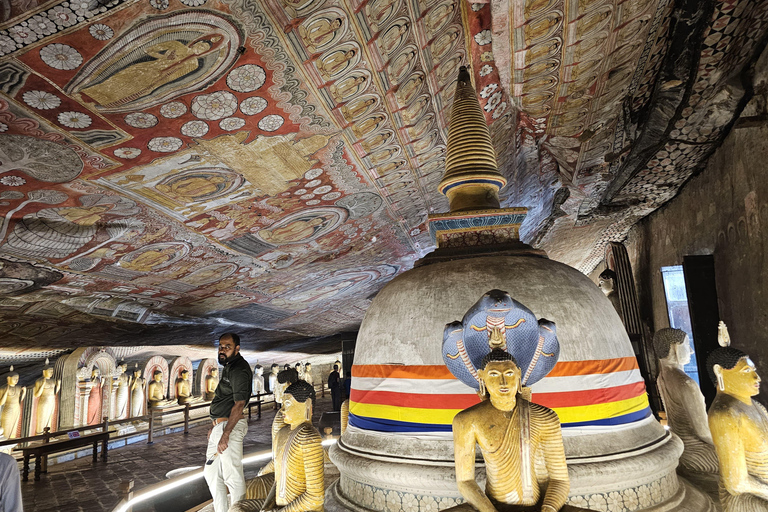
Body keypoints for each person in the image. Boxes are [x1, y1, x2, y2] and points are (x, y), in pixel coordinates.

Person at [451, 348, 573, 512]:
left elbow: (559, 479)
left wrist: (548, 509)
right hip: (492, 506)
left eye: (509, 374)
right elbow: (465, 482)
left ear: (519, 374)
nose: (503, 382)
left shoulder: (544, 416)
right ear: (482, 377)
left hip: (538, 506)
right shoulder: (466, 420)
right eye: (494, 374)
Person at [230, 380, 324, 512]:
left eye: (287, 404)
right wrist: (266, 507)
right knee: (238, 507)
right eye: (282, 404)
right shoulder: (282, 433)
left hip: (301, 508)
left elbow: (315, 497)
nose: (283, 409)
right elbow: (278, 481)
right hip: (280, 504)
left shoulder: (309, 437)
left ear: (307, 405)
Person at [707, 322, 768, 511]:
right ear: (719, 371)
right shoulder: (724, 414)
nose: (757, 378)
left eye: (754, 370)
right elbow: (737, 483)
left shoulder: (755, 405)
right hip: (749, 495)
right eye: (747, 371)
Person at [204, 333, 253, 512]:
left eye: (227, 347)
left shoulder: (239, 369)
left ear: (237, 348)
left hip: (229, 428)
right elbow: (224, 399)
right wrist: (214, 425)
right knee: (211, 472)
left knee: (232, 476)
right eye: (221, 346)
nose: (222, 350)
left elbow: (239, 403)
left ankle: (238, 509)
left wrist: (225, 434)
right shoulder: (229, 366)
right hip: (220, 426)